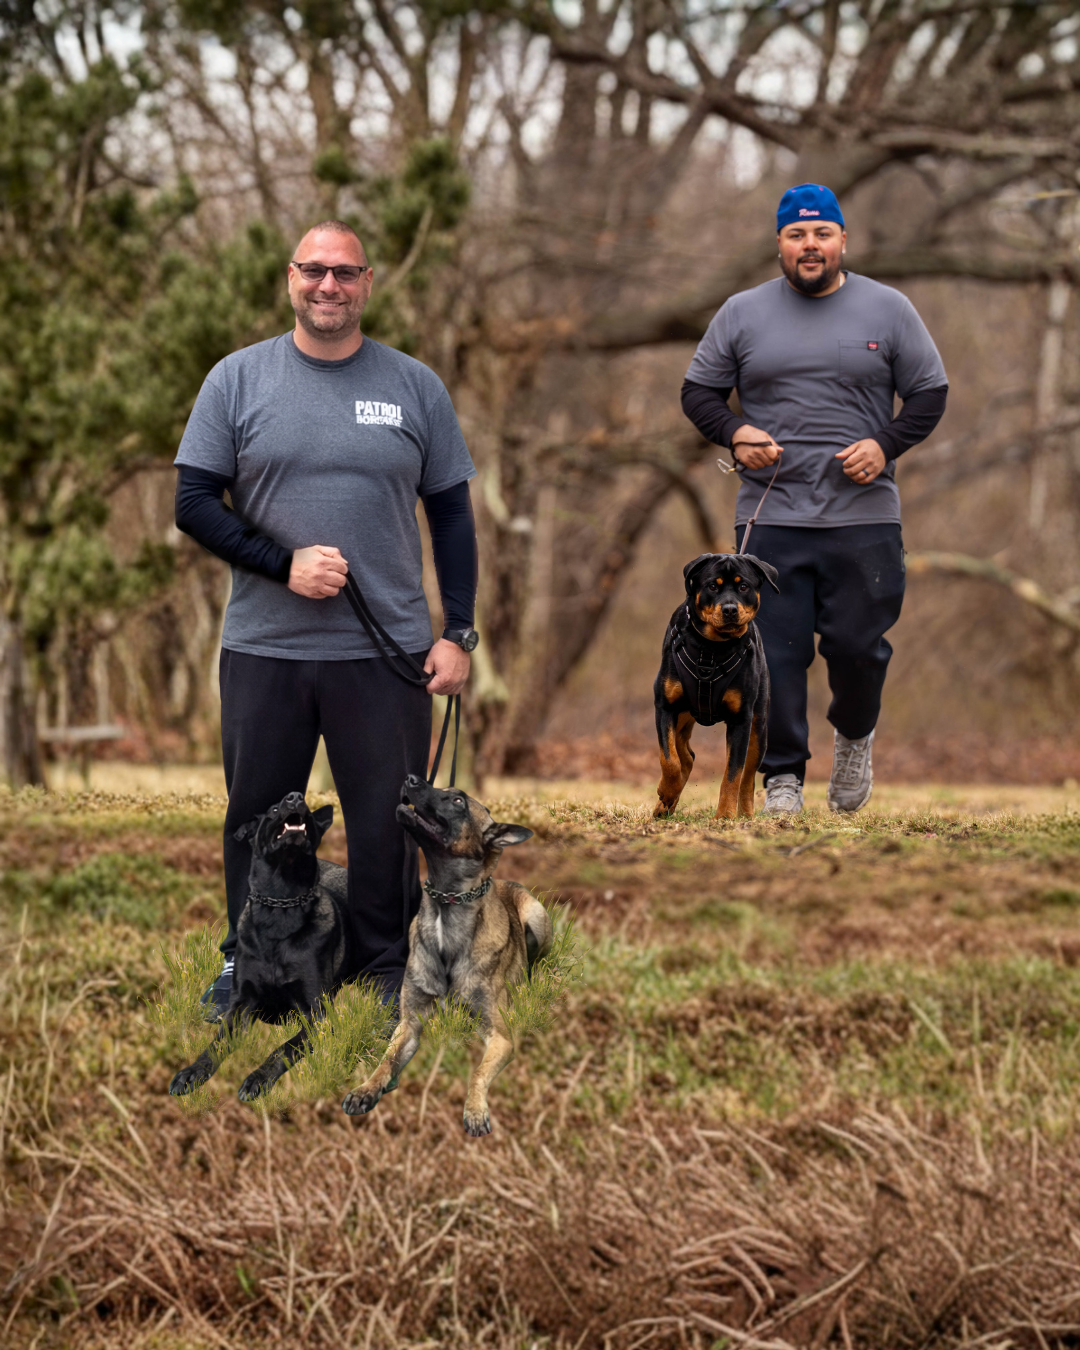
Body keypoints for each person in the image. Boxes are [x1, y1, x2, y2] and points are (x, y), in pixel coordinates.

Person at [174, 219, 479, 1015]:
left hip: (387, 654)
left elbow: (451, 514)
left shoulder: (414, 386)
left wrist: (459, 632)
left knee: (386, 820)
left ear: (368, 282)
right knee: (257, 816)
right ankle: (251, 963)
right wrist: (284, 564)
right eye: (315, 272)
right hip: (265, 647)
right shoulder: (237, 381)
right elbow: (194, 503)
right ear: (290, 279)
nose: (329, 287)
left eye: (345, 273)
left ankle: (383, 969)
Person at [681, 183, 948, 814]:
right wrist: (735, 432)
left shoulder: (889, 309)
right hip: (772, 515)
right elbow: (699, 393)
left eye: (822, 234)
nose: (810, 246)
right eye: (797, 235)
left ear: (841, 240)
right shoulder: (742, 313)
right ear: (779, 243)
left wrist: (885, 444)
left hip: (864, 516)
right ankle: (783, 779)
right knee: (776, 651)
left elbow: (931, 394)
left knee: (858, 647)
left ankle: (855, 739)